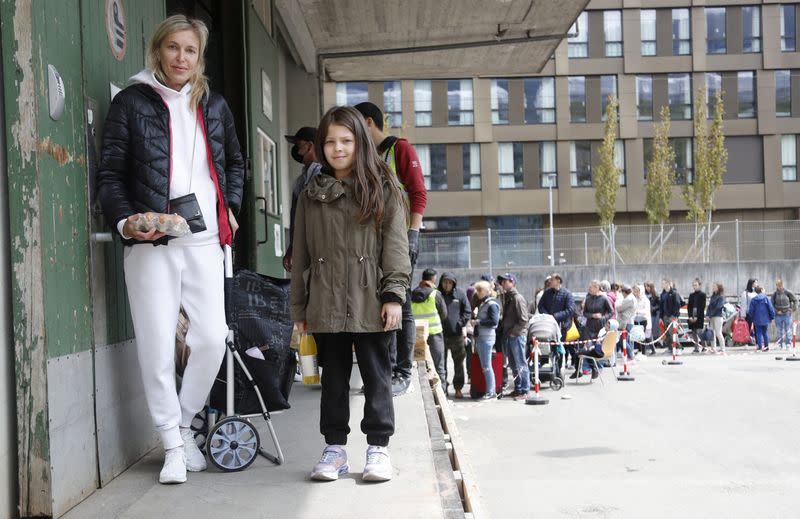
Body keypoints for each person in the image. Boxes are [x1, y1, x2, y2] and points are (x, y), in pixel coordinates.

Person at [96, 15, 244, 485]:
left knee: (211, 337)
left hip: (204, 239)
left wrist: (231, 207)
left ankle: (185, 422)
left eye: (190, 51)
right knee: (158, 343)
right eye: (173, 48)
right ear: (157, 50)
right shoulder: (131, 103)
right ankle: (173, 445)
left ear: (199, 58)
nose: (181, 58)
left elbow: (234, 164)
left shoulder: (214, 105)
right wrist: (125, 222)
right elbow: (111, 174)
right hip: (152, 241)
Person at [290, 106, 411, 482]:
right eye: (330, 141)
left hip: (371, 299)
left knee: (378, 375)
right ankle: (335, 450)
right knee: (334, 378)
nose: (338, 148)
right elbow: (301, 252)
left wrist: (393, 295)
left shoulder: (383, 187)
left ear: (360, 141)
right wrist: (300, 305)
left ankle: (378, 448)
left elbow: (395, 246)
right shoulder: (311, 193)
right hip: (325, 300)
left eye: (346, 140)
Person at [354, 102, 426, 397]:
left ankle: (402, 372)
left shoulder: (400, 149)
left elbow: (419, 193)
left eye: (356, 126)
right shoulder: (367, 156)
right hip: (374, 240)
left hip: (401, 239)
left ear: (368, 122)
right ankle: (385, 371)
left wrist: (413, 233)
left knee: (402, 303)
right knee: (380, 302)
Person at [282, 126, 322, 272]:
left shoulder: (324, 175)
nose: (296, 150)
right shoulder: (301, 180)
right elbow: (296, 215)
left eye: (299, 145)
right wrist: (292, 247)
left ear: (310, 146)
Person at [411, 268, 448, 390]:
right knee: (439, 367)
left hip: (417, 335)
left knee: (419, 365)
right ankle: (442, 393)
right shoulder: (435, 294)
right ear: (433, 280)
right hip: (435, 334)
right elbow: (444, 314)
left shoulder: (411, 294)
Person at [437, 272, 471, 399]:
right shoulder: (437, 294)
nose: (447, 285)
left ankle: (458, 388)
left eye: (450, 282)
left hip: (456, 336)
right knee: (441, 364)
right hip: (440, 335)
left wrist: (460, 323)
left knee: (459, 363)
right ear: (441, 282)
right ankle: (443, 389)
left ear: (454, 284)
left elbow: (467, 311)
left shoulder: (460, 294)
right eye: (445, 282)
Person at [496, 273, 530, 400]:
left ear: (512, 282)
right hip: (511, 335)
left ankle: (525, 390)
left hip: (516, 335)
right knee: (514, 364)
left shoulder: (517, 298)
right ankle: (518, 389)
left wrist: (512, 332)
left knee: (520, 363)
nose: (502, 284)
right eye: (502, 282)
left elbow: (524, 319)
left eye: (505, 281)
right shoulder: (508, 297)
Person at [572, 280, 613, 379]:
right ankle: (590, 368)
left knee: (598, 349)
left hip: (600, 327)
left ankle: (598, 367)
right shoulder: (588, 298)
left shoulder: (604, 298)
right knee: (588, 348)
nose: (589, 289)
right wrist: (592, 315)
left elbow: (611, 312)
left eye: (591, 288)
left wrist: (602, 318)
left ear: (597, 288)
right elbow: (584, 313)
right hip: (589, 327)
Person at [472, 281, 501, 401]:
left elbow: (494, 322)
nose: (478, 293)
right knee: (486, 366)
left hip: (486, 337)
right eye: (477, 290)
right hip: (483, 337)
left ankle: (491, 392)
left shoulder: (491, 304)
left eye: (480, 290)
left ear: (488, 291)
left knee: (487, 366)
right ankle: (490, 391)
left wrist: (478, 322)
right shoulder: (485, 303)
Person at [538, 273, 575, 341]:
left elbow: (571, 309)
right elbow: (540, 306)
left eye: (552, 279)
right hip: (548, 325)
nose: (550, 281)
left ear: (558, 281)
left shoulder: (567, 294)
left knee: (563, 348)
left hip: (563, 327)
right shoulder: (547, 293)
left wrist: (556, 316)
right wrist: (548, 316)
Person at [748, 286, 776, 352]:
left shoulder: (754, 299)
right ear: (761, 290)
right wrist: (772, 316)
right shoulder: (766, 298)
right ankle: (766, 346)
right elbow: (771, 308)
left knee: (758, 332)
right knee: (765, 332)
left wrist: (751, 317)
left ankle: (759, 346)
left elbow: (751, 310)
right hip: (765, 318)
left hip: (757, 318)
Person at [772, 279, 797, 350]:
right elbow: (772, 304)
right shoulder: (775, 294)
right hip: (778, 315)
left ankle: (788, 344)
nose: (779, 287)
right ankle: (780, 344)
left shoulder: (788, 292)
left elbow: (795, 300)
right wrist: (776, 311)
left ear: (782, 285)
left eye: (780, 285)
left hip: (787, 314)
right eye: (778, 285)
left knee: (788, 330)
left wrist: (792, 309)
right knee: (779, 330)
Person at [660, 279, 683, 351]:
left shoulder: (674, 293)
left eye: (663, 283)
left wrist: (674, 315)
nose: (662, 285)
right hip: (665, 316)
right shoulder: (663, 294)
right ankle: (671, 348)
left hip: (672, 316)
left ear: (668, 284)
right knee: (667, 333)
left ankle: (679, 348)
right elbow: (661, 306)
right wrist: (661, 317)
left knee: (673, 332)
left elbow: (678, 304)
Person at [615, 284, 636, 360]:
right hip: (628, 321)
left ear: (624, 292)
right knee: (626, 340)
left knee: (622, 340)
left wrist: (617, 304)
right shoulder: (632, 297)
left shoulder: (629, 299)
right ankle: (629, 356)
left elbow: (619, 308)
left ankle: (631, 356)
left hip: (626, 322)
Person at [686, 278, 707, 353]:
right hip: (692, 314)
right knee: (694, 332)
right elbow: (689, 307)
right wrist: (690, 316)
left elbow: (702, 307)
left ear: (700, 285)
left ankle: (704, 346)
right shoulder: (691, 295)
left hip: (699, 315)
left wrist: (697, 317)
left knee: (699, 331)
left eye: (696, 285)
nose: (694, 286)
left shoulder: (703, 295)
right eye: (693, 285)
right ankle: (696, 347)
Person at [706, 282, 726, 354]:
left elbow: (718, 307)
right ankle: (713, 348)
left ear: (719, 288)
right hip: (711, 317)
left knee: (718, 332)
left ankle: (722, 348)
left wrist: (710, 315)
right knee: (712, 333)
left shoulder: (721, 297)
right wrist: (707, 315)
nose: (713, 288)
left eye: (715, 286)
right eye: (713, 286)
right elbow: (709, 307)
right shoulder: (712, 296)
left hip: (718, 316)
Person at [633, 284, 653, 354]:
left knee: (644, 337)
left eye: (638, 291)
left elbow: (646, 311)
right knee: (638, 336)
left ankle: (644, 352)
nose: (636, 293)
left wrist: (638, 312)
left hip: (644, 320)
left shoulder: (646, 300)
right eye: (635, 291)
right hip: (636, 320)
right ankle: (640, 351)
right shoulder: (635, 299)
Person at [740, 278, 759, 344]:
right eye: (755, 283)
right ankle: (746, 342)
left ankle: (757, 342)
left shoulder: (756, 292)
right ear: (752, 284)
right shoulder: (745, 293)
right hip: (748, 313)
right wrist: (743, 315)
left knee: (757, 328)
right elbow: (743, 304)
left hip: (756, 313)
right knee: (747, 328)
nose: (757, 284)